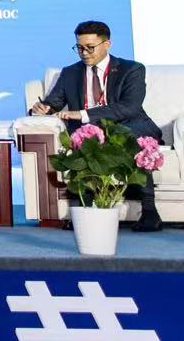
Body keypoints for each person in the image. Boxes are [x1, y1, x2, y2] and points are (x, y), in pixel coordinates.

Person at [29, 19, 163, 232]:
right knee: (86, 141)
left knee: (129, 138)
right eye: (79, 47)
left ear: (107, 44)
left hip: (129, 124)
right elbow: (53, 102)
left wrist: (83, 115)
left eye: (90, 47)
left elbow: (130, 107)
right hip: (91, 131)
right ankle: (87, 209)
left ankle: (149, 211)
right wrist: (42, 108)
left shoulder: (132, 69)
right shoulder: (70, 72)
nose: (84, 53)